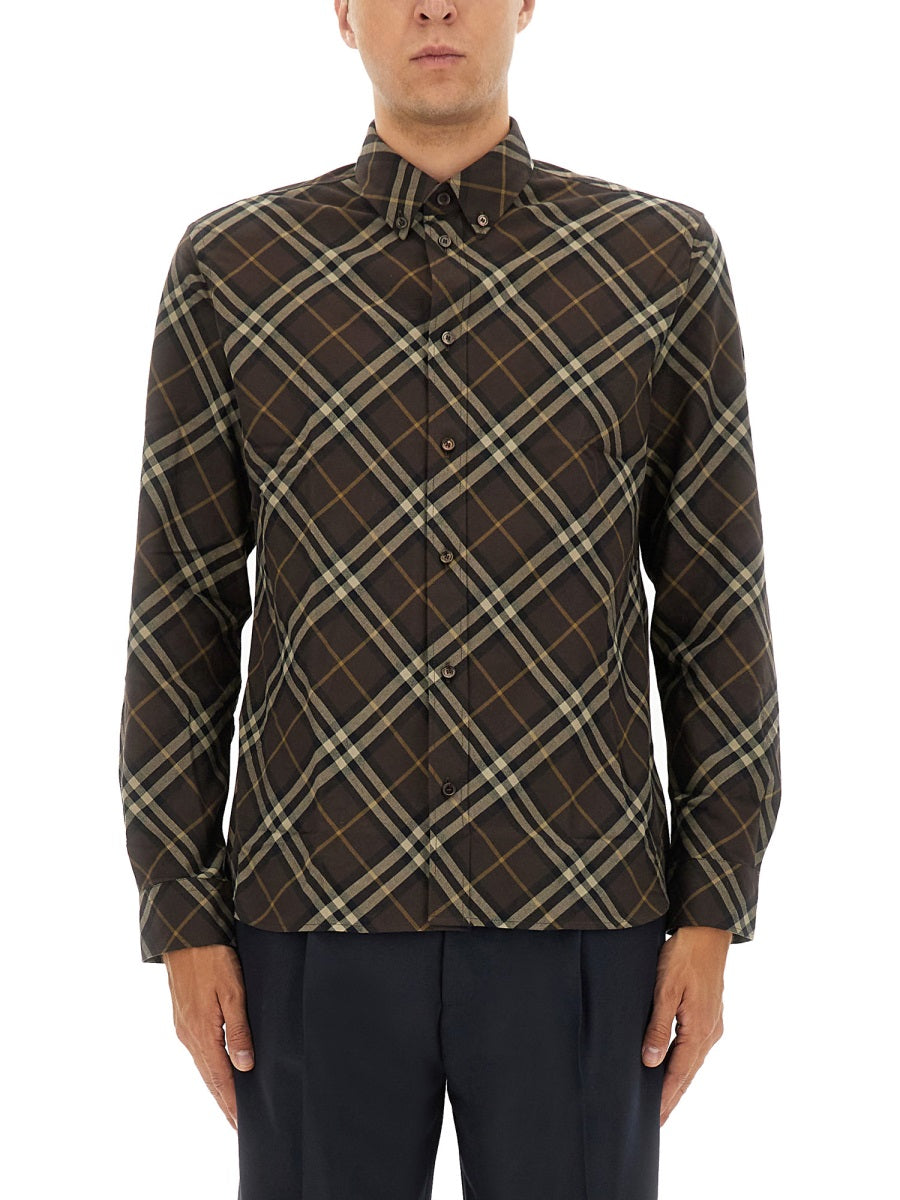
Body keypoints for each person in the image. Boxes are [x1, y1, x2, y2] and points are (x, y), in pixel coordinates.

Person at [117, 2, 782, 1197]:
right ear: (342, 11)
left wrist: (713, 904)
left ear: (526, 2)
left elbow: (714, 607)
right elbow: (182, 613)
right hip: (307, 913)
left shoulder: (658, 263)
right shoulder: (234, 272)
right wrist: (181, 911)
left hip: (585, 915)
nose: (433, 6)